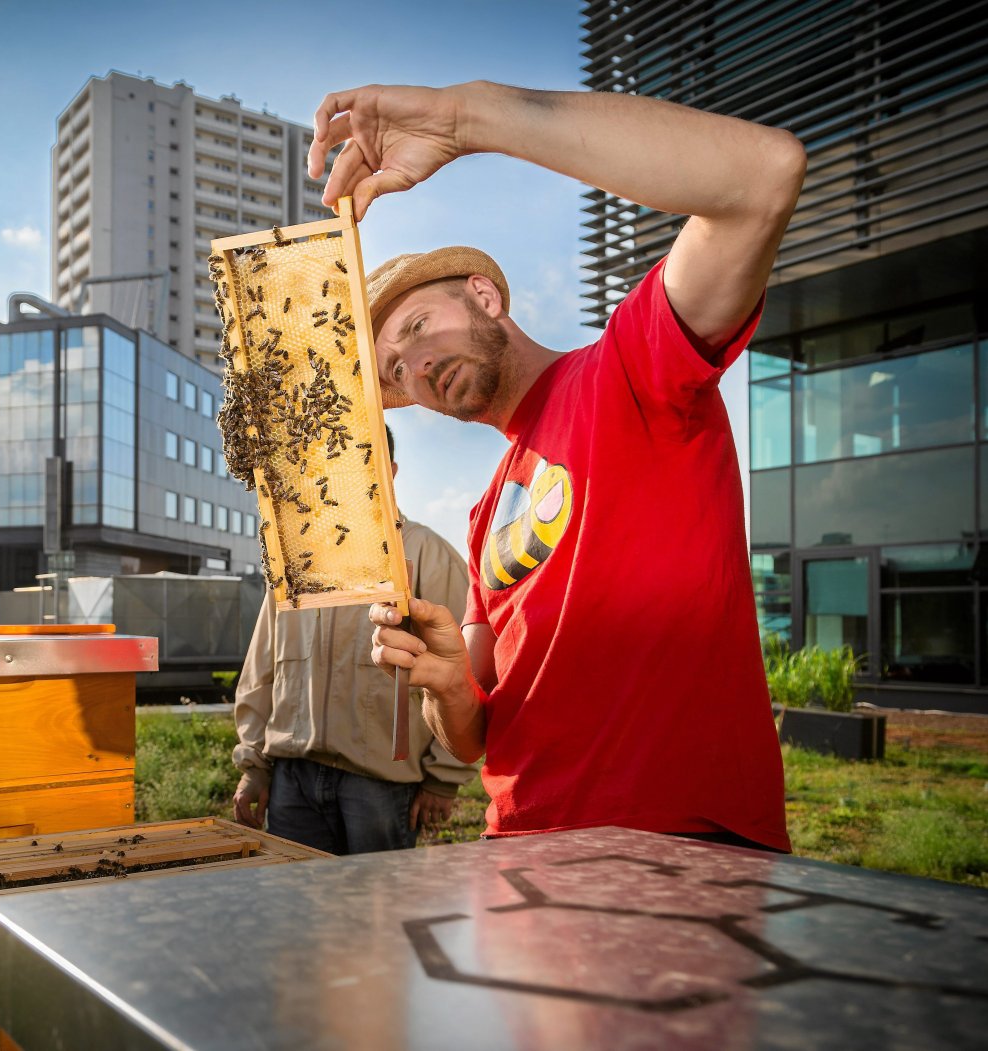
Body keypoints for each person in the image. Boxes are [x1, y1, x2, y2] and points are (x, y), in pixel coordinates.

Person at [306, 80, 803, 853]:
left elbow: (763, 172)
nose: (416, 363)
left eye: (418, 325)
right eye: (396, 369)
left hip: (680, 843)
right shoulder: (484, 515)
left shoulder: (632, 368)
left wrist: (465, 119)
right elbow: (473, 733)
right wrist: (446, 683)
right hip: (520, 851)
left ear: (484, 295)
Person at [232, 425, 476, 854]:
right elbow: (262, 666)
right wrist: (254, 764)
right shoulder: (293, 560)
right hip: (291, 776)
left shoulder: (430, 554)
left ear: (390, 471)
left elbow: (463, 676)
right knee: (299, 897)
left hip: (381, 784)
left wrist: (444, 778)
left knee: (375, 899)